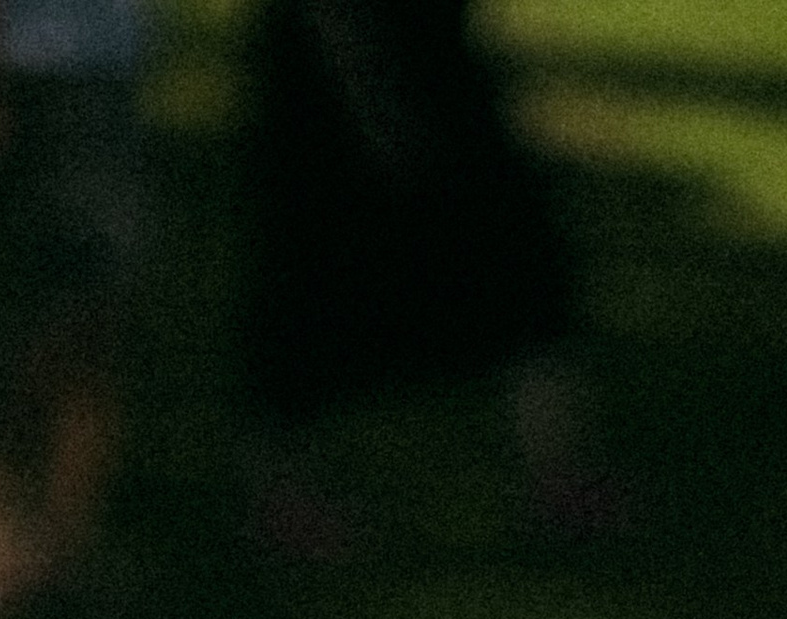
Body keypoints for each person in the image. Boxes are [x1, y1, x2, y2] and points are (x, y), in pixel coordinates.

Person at [237, 0, 608, 558]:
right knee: (315, 268)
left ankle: (559, 472)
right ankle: (283, 499)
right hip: (344, 52)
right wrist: (366, 81)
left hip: (407, 44)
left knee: (517, 251)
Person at [0, 0, 151, 619]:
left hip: (100, 80)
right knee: (62, 313)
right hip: (49, 82)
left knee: (92, 322)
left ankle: (53, 542)